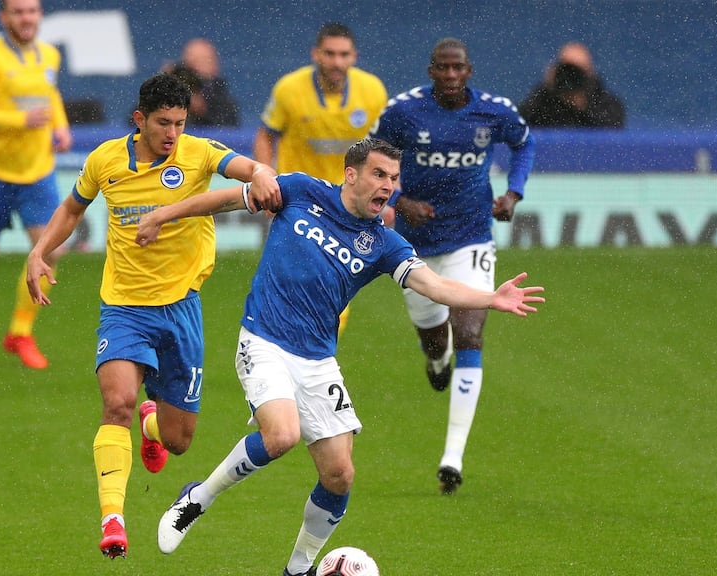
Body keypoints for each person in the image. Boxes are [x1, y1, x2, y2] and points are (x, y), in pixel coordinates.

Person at [136, 138, 544, 575]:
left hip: (316, 360)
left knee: (339, 475)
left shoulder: (384, 242)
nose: (388, 186)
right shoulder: (299, 191)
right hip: (264, 340)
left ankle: (299, 567)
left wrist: (489, 298)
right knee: (281, 436)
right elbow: (226, 200)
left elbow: (433, 285)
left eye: (393, 178)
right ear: (351, 174)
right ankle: (197, 499)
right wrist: (162, 214)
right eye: (379, 175)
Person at [24, 72, 280, 560]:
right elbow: (73, 210)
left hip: (181, 310)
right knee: (116, 401)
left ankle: (151, 426)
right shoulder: (105, 160)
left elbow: (246, 168)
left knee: (179, 440)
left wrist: (264, 173)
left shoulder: (200, 153)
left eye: (180, 124)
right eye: (164, 123)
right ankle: (113, 520)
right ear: (140, 120)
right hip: (124, 307)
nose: (172, 134)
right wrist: (39, 251)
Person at [369, 38, 537, 495]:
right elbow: (372, 158)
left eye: (456, 68)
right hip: (413, 242)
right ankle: (435, 358)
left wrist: (513, 194)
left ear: (468, 70)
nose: (449, 75)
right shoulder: (403, 111)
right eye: (441, 68)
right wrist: (401, 200)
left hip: (471, 236)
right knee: (433, 335)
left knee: (470, 333)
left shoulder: (493, 111)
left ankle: (453, 457)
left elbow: (525, 144)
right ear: (431, 70)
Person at [0, 0, 72, 370]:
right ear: (4, 17)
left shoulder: (49, 55)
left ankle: (20, 332)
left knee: (51, 251)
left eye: (33, 11)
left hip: (37, 173)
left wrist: (60, 125)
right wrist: (22, 119)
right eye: (18, 11)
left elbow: (49, 93)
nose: (27, 18)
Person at [253, 21, 388, 334]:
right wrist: (267, 180)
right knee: (293, 282)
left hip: (348, 205)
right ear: (316, 54)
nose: (337, 62)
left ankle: (309, 357)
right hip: (298, 202)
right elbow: (265, 136)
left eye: (343, 54)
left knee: (332, 290)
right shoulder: (289, 89)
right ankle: (293, 352)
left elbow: (387, 149)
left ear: (354, 56)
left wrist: (386, 195)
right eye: (330, 53)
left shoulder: (373, 91)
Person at [517, 41, 625, 128]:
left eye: (578, 71)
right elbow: (521, 121)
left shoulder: (606, 102)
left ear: (590, 72)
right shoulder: (544, 100)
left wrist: (583, 104)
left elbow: (613, 128)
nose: (572, 76)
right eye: (567, 69)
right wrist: (547, 88)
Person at [163, 38, 241, 127]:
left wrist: (202, 110)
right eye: (191, 62)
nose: (196, 67)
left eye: (203, 60)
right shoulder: (170, 94)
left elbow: (226, 131)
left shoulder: (223, 102)